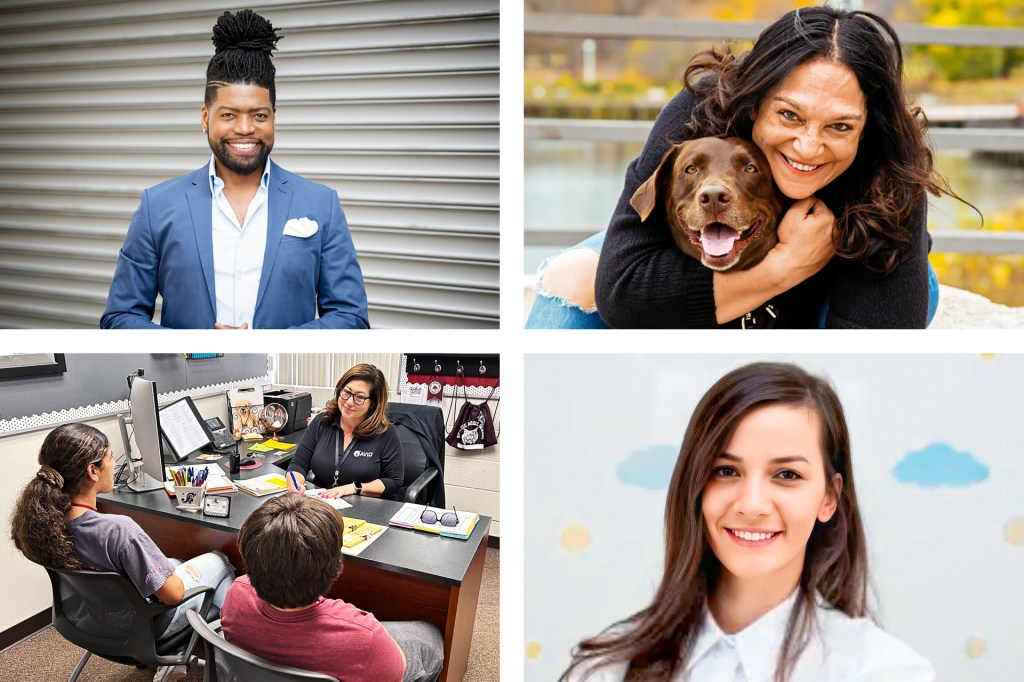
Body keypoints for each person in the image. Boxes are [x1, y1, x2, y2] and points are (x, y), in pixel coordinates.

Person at [528, 6, 970, 329]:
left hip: (834, 278)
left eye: (839, 125)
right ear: (756, 101)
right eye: (789, 116)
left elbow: (874, 343)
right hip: (712, 247)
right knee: (572, 275)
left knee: (918, 290)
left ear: (867, 127)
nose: (809, 147)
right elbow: (622, 294)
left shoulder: (888, 165)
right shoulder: (698, 112)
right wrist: (786, 264)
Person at [564, 362, 934, 681]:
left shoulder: (885, 671)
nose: (752, 505)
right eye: (726, 471)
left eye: (787, 475)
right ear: (695, 486)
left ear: (828, 498)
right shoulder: (610, 666)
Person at [101, 9, 369, 329]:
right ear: (205, 118)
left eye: (259, 115)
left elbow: (351, 317)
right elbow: (120, 318)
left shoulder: (321, 204)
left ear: (274, 117)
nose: (245, 128)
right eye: (228, 115)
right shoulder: (156, 206)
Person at [9, 423, 235, 682]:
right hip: (146, 627)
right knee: (220, 561)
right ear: (93, 471)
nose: (115, 464)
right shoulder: (118, 530)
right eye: (110, 457)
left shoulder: (45, 526)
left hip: (96, 619)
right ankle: (226, 664)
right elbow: (173, 596)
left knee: (172, 562)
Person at [221, 494, 444, 681]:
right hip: (371, 651)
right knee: (430, 636)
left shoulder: (236, 593)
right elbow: (397, 671)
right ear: (336, 566)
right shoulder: (364, 636)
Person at [285, 363, 404, 499]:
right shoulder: (322, 422)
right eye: (346, 392)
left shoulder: (386, 433)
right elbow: (298, 464)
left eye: (359, 397)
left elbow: (394, 482)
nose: (348, 402)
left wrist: (353, 488)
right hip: (322, 505)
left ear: (373, 403)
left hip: (365, 507)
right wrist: (294, 484)